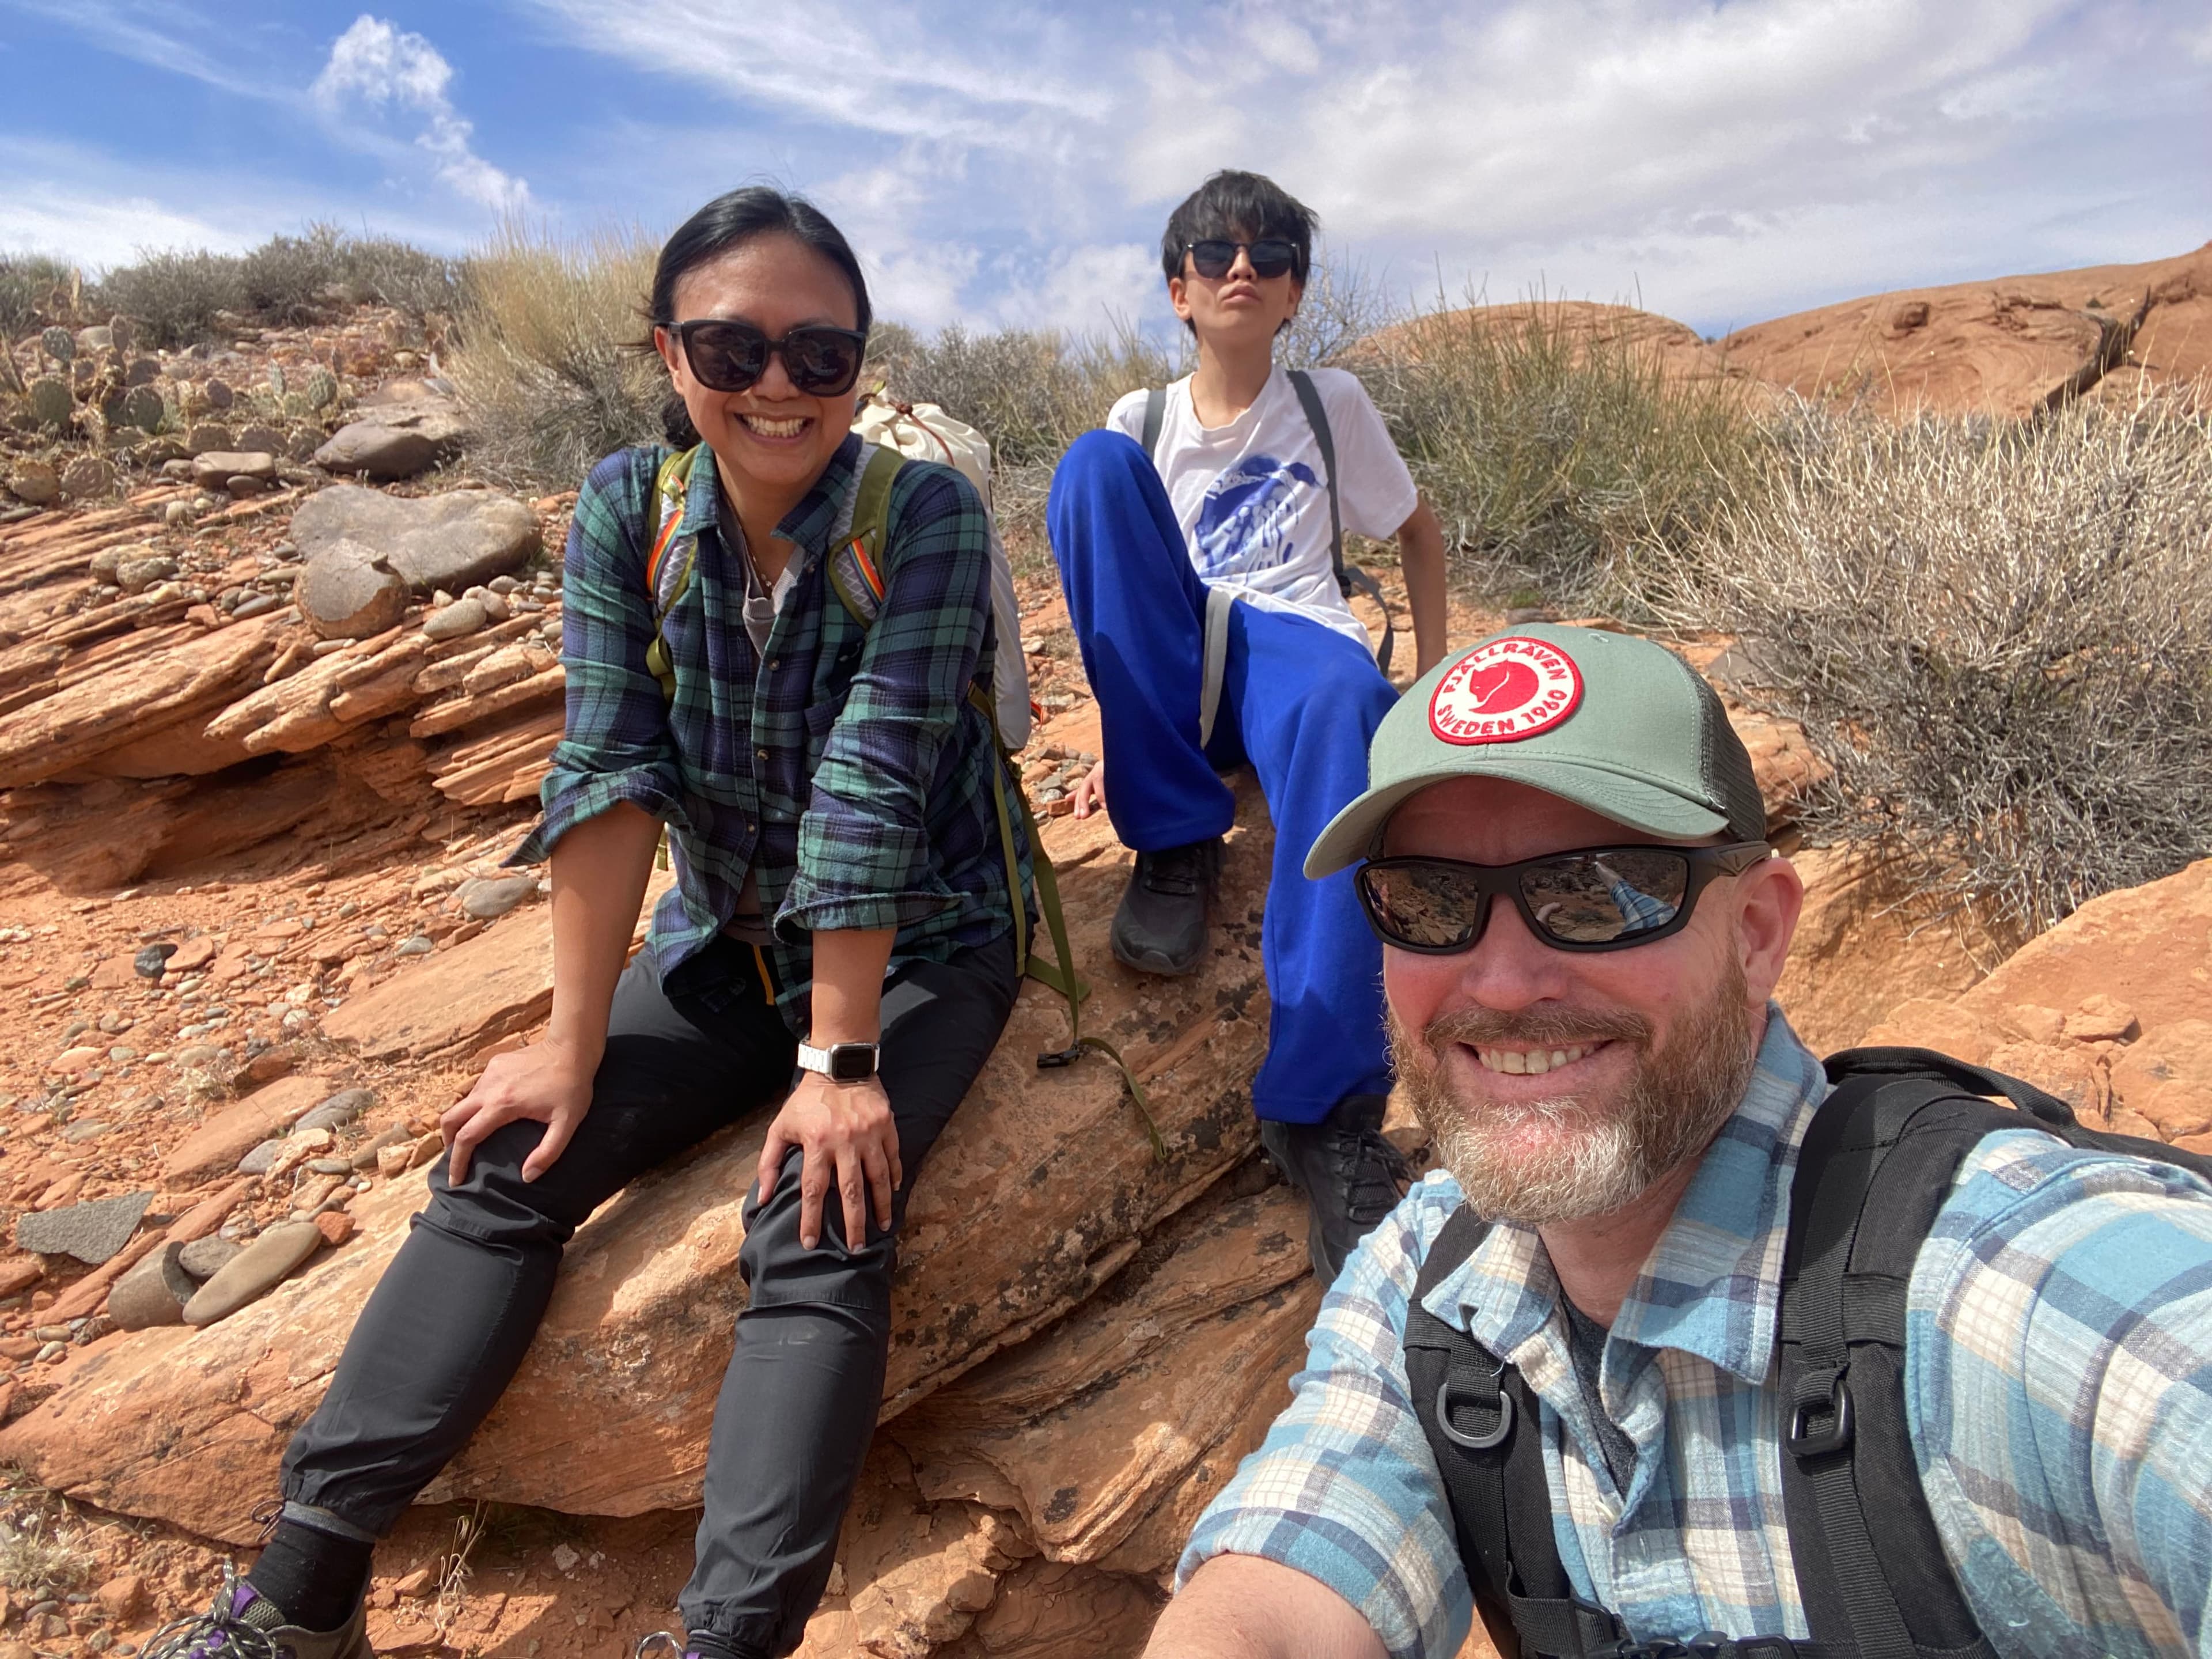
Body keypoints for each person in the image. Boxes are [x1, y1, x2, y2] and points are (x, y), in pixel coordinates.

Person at [148, 187, 1029, 1659]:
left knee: (818, 1214)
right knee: (505, 1155)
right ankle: (299, 1599)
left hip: (921, 942)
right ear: (666, 352)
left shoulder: (921, 514)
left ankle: (724, 1640)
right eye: (731, 346)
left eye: (820, 355)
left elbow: (876, 776)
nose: (775, 386)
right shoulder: (630, 506)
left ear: (861, 371)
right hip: (728, 942)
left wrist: (842, 1066)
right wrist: (566, 1042)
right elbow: (610, 769)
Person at [1147, 624, 2212, 1659]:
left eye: (1603, 892)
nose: (1506, 983)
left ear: (1757, 933)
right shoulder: (1429, 1281)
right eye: (1428, 901)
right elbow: (1289, 1575)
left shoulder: (1992, 1287)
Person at [1046, 169, 1450, 1281]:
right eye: (1216, 255)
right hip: (1188, 671)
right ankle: (1173, 841)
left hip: (1292, 652)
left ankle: (1323, 1113)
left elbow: (1418, 531)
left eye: (1268, 256)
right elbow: (1117, 606)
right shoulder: (1140, 422)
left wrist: (1431, 680)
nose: (1242, 269)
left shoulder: (1330, 406)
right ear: (1178, 290)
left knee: (1343, 699)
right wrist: (1109, 740)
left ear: (1294, 294)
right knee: (1087, 471)